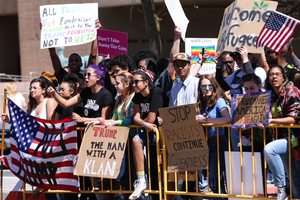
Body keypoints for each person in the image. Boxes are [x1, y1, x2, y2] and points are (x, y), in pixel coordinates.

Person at [2, 76, 58, 199]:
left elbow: (52, 125)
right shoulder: (31, 105)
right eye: (30, 88)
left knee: (49, 189)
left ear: (44, 90)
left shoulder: (50, 102)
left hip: (46, 150)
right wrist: (10, 120)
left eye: (35, 88)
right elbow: (24, 126)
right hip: (34, 150)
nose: (31, 90)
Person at [129, 68, 168, 200]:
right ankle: (141, 181)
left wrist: (142, 122)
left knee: (161, 173)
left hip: (163, 135)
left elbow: (151, 119)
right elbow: (136, 118)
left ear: (146, 82)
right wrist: (144, 124)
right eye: (132, 82)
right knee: (135, 140)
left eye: (136, 82)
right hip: (148, 133)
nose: (133, 85)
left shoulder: (156, 93)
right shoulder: (137, 95)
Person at [263, 65, 300, 200]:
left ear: (283, 77)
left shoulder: (292, 91)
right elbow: (263, 117)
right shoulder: (269, 96)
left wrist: (271, 122)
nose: (274, 77)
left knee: (269, 150)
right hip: (282, 140)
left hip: (295, 139)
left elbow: (293, 118)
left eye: (277, 74)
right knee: (295, 180)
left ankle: (281, 187)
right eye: (271, 75)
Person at [195, 75, 231, 199]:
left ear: (214, 86)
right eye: (203, 86)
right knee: (212, 180)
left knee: (215, 180)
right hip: (204, 144)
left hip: (218, 142)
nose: (207, 88)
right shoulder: (200, 103)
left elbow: (227, 119)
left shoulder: (219, 101)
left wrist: (206, 119)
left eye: (210, 85)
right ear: (200, 89)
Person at [48, 64, 113, 123]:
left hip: (97, 133)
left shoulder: (106, 95)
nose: (86, 77)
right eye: (85, 75)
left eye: (89, 75)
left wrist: (82, 119)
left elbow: (104, 118)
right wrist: (54, 94)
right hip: (86, 131)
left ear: (98, 77)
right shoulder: (86, 92)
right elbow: (66, 104)